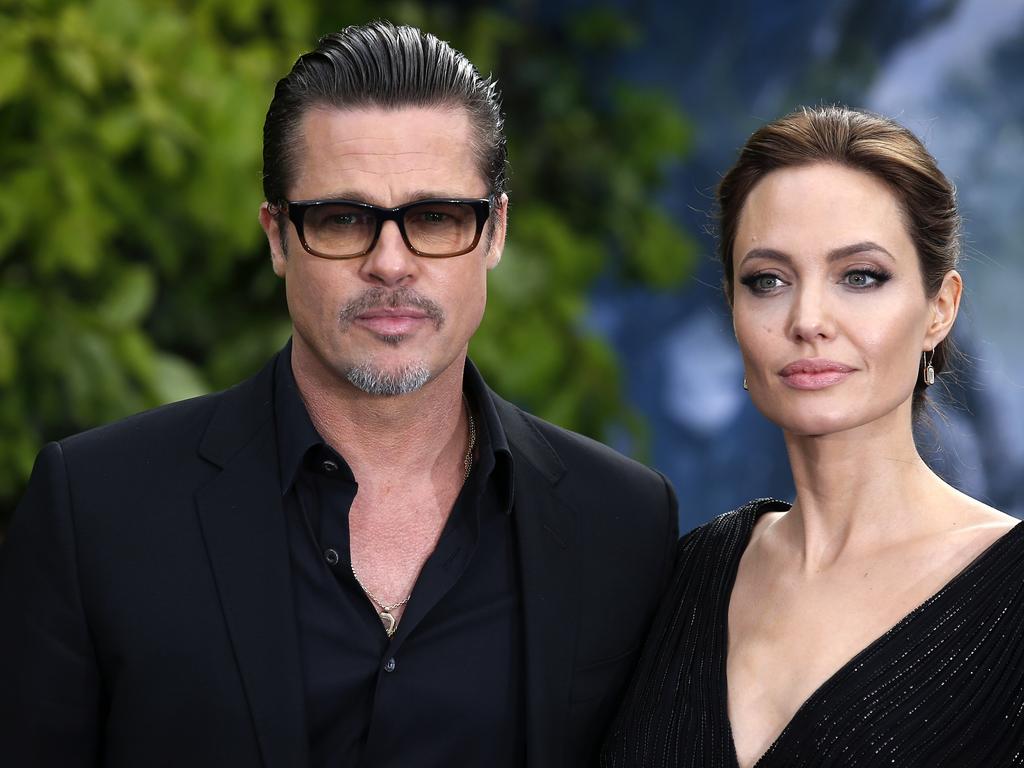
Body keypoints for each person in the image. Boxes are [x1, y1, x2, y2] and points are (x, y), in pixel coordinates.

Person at [0, 22, 679, 768]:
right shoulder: (94, 512)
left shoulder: (622, 524)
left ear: (494, 233)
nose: (391, 264)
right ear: (277, 237)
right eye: (343, 220)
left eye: (435, 218)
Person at [601, 106, 1024, 767]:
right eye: (768, 281)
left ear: (940, 310)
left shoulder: (1011, 596)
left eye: (860, 276)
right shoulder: (691, 573)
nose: (807, 319)